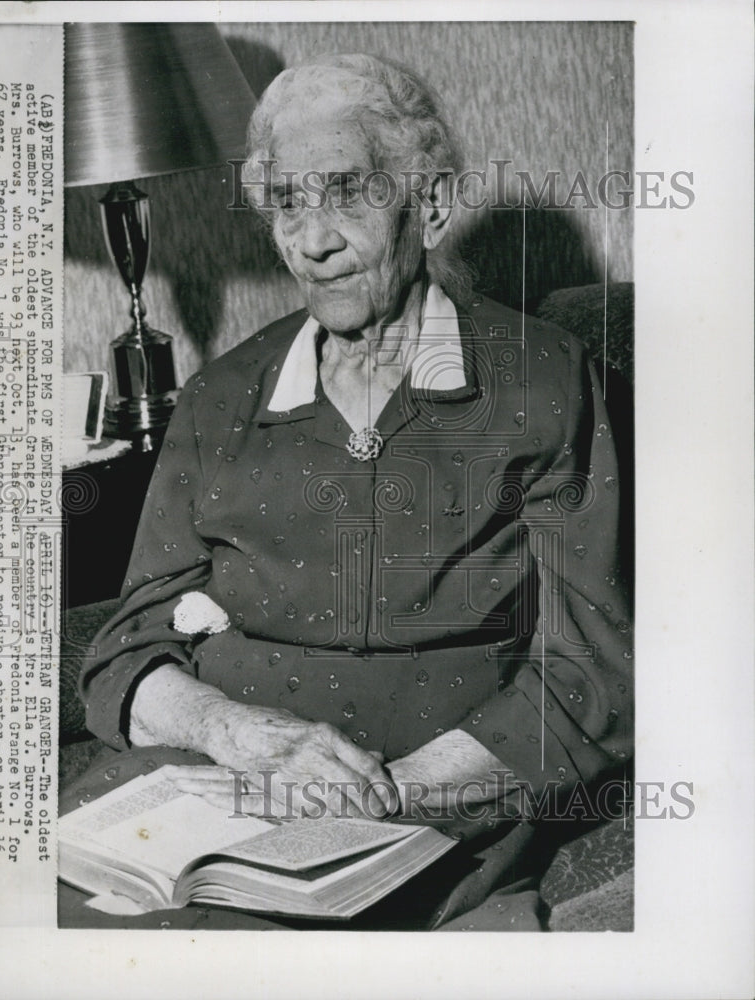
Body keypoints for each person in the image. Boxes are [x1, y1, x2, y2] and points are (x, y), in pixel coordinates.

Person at [78, 53, 633, 931]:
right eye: (287, 204)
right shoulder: (224, 395)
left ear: (434, 206)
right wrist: (236, 736)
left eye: (346, 193)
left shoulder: (541, 380)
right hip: (211, 788)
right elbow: (123, 648)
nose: (312, 239)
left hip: (431, 806)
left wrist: (380, 793)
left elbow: (593, 672)